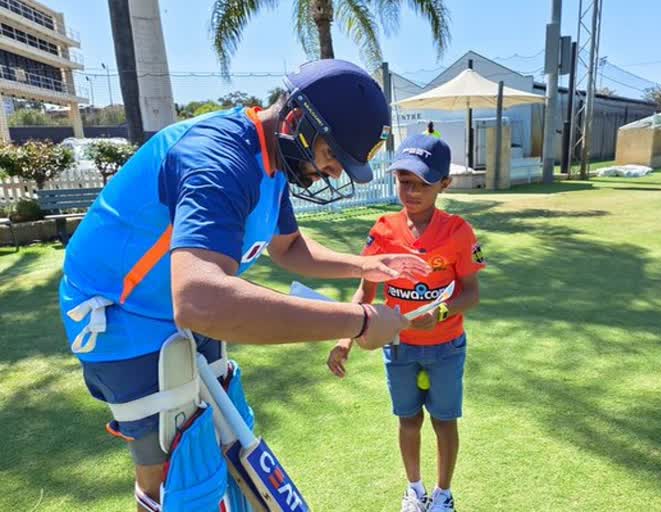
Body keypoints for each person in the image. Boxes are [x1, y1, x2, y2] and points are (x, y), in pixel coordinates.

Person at [58, 59, 431, 512]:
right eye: (332, 155)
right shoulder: (218, 159)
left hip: (175, 305)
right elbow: (199, 300)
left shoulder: (271, 161)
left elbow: (289, 247)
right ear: (296, 121)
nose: (334, 173)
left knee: (227, 437)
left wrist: (365, 266)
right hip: (119, 312)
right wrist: (360, 319)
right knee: (173, 471)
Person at [327, 134, 485, 512]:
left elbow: (472, 293)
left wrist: (441, 314)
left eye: (422, 184)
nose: (410, 191)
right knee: (408, 420)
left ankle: (443, 495)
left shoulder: (458, 232)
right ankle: (415, 490)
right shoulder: (382, 230)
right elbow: (365, 295)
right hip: (398, 348)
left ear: (444, 184)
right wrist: (344, 341)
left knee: (444, 422)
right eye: (403, 181)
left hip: (446, 347)